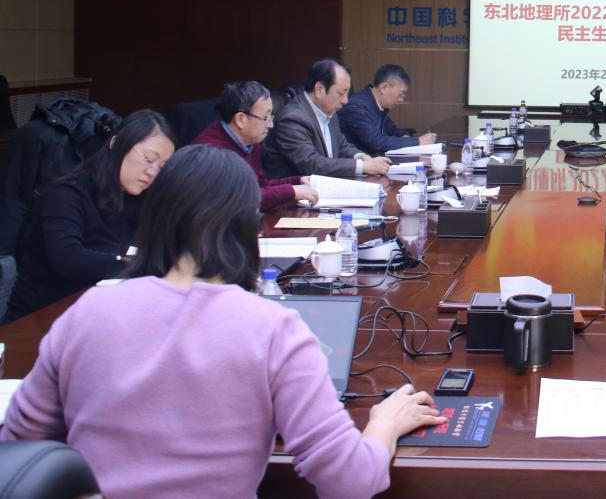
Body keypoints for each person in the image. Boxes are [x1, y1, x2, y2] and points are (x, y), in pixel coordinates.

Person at [0, 144, 446, 497]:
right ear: (248, 227)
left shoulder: (87, 312)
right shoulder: (272, 328)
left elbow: (18, 446)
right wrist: (384, 424)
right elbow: (350, 481)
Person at [4, 109, 175, 322]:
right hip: (40, 316)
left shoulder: (140, 198)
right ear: (115, 143)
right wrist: (134, 263)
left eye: (161, 167)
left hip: (98, 313)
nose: (152, 172)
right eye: (148, 159)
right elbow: (67, 258)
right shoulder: (67, 193)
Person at [192, 81, 319, 211]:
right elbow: (239, 199)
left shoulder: (249, 141)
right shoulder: (210, 152)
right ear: (240, 120)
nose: (271, 125)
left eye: (271, 117)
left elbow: (260, 186)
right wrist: (291, 191)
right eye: (265, 117)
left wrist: (297, 181)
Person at [263, 59, 391, 179]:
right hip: (294, 191)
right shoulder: (292, 119)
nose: (345, 100)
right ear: (319, 90)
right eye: (341, 93)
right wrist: (362, 166)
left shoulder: (329, 111)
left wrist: (361, 157)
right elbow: (311, 164)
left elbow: (341, 146)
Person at [339, 64, 436, 156]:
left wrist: (405, 138)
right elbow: (376, 142)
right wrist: (417, 141)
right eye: (401, 94)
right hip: (357, 162)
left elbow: (392, 129)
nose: (401, 100)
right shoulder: (357, 106)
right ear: (384, 88)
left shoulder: (374, 103)